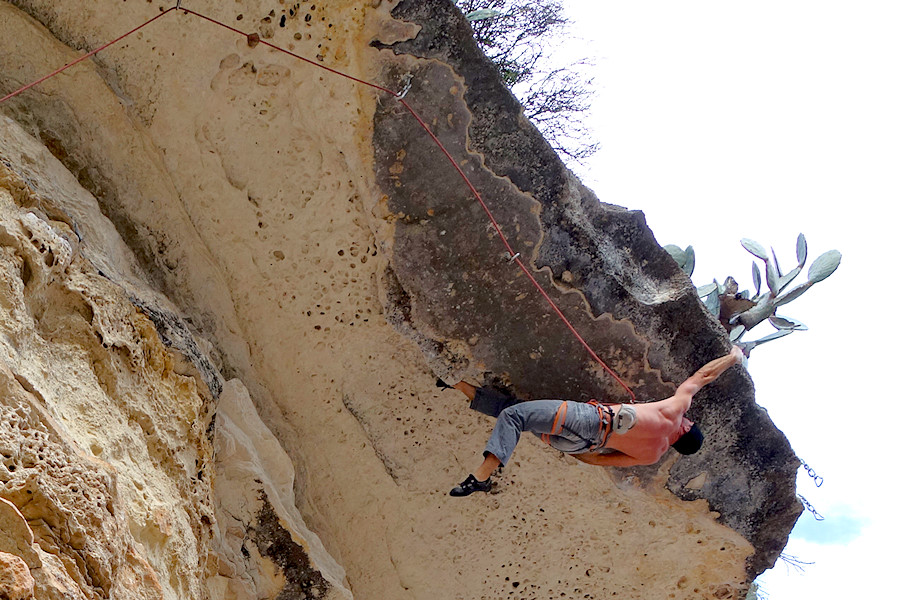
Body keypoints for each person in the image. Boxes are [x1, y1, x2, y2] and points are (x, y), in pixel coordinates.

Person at [443, 345, 745, 496]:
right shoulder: (653, 454)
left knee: (513, 415)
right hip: (577, 443)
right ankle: (457, 384)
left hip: (586, 419)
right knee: (521, 413)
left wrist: (732, 356)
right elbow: (602, 462)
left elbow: (702, 376)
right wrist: (575, 450)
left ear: (688, 427)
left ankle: (480, 478)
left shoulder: (676, 410)